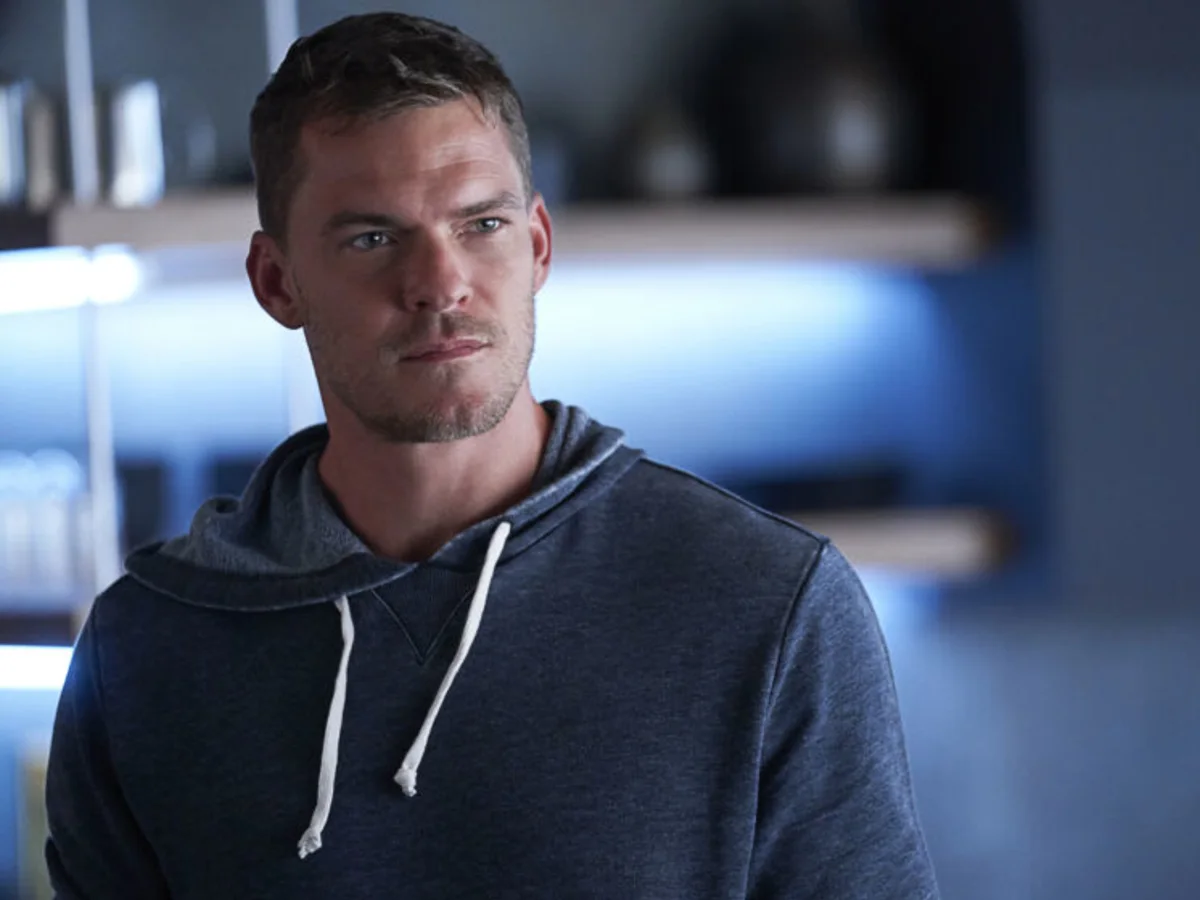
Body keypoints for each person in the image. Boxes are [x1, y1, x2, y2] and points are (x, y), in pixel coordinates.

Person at [44, 12, 939, 899]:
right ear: (277, 282)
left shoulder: (769, 605)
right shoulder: (145, 650)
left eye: (481, 225)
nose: (440, 283)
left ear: (538, 245)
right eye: (372, 238)